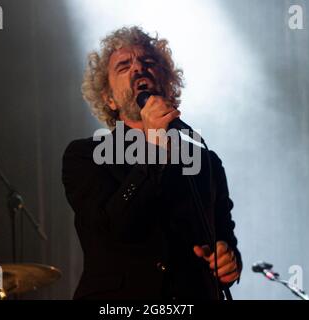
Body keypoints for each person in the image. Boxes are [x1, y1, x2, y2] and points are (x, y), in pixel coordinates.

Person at [62, 26, 242, 299]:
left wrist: (229, 260)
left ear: (167, 83)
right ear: (109, 99)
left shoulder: (205, 161)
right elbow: (111, 230)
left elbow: (223, 233)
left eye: (147, 62)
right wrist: (154, 148)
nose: (138, 69)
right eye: (123, 66)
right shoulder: (86, 155)